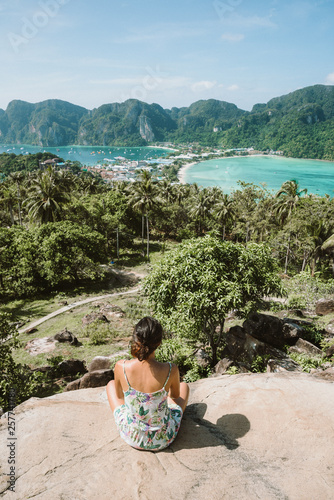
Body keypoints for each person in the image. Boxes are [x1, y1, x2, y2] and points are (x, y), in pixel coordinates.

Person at [106, 316, 189, 451]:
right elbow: (175, 396)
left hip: (132, 437)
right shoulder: (171, 369)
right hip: (163, 438)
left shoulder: (121, 366)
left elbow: (120, 396)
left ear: (135, 339)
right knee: (184, 386)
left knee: (110, 384)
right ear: (159, 343)